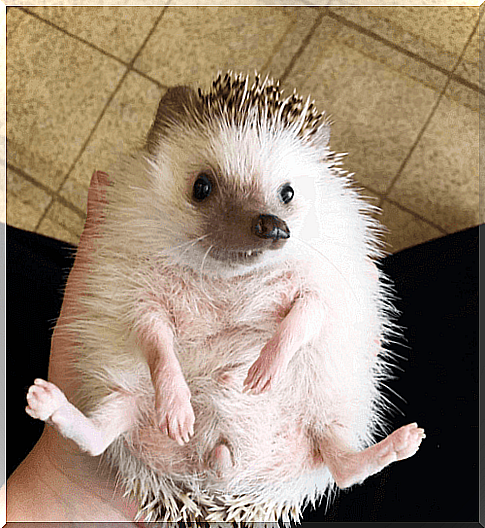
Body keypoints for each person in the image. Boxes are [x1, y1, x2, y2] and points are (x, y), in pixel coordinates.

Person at [5, 172, 479, 523]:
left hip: (250, 443)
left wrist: (281, 348)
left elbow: (313, 308)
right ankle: (85, 430)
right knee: (125, 394)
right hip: (197, 447)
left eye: (284, 196)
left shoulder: (318, 243)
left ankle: (348, 461)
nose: (260, 224)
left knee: (324, 413)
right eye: (206, 189)